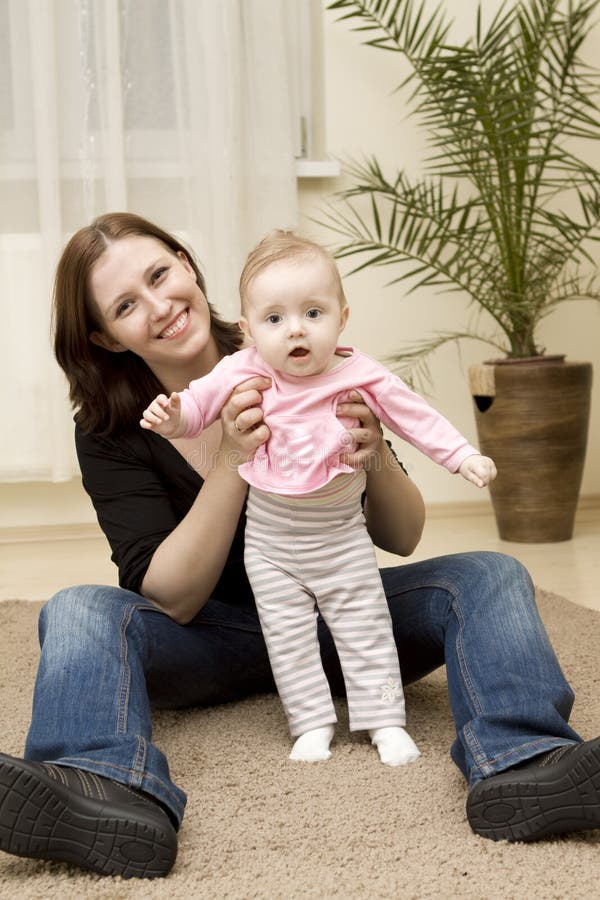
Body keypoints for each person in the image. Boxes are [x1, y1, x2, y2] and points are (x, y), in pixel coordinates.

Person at [0, 212, 599, 881]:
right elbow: (169, 593)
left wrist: (373, 457)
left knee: (490, 574)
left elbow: (400, 538)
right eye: (126, 305)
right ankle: (97, 788)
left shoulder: (292, 331)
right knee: (80, 608)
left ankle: (526, 764)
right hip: (210, 642)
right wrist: (233, 458)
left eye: (160, 274)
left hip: (346, 616)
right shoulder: (113, 428)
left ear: (186, 263)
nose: (161, 306)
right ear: (104, 338)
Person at [140, 230, 496, 767]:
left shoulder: (358, 374)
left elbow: (415, 416)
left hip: (341, 537)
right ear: (249, 330)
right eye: (275, 319)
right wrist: (174, 420)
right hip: (271, 544)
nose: (296, 330)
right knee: (288, 637)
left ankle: (384, 721)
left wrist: (463, 456)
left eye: (313, 312)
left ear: (342, 317)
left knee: (365, 624)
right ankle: (311, 724)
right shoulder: (244, 369)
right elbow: (199, 404)